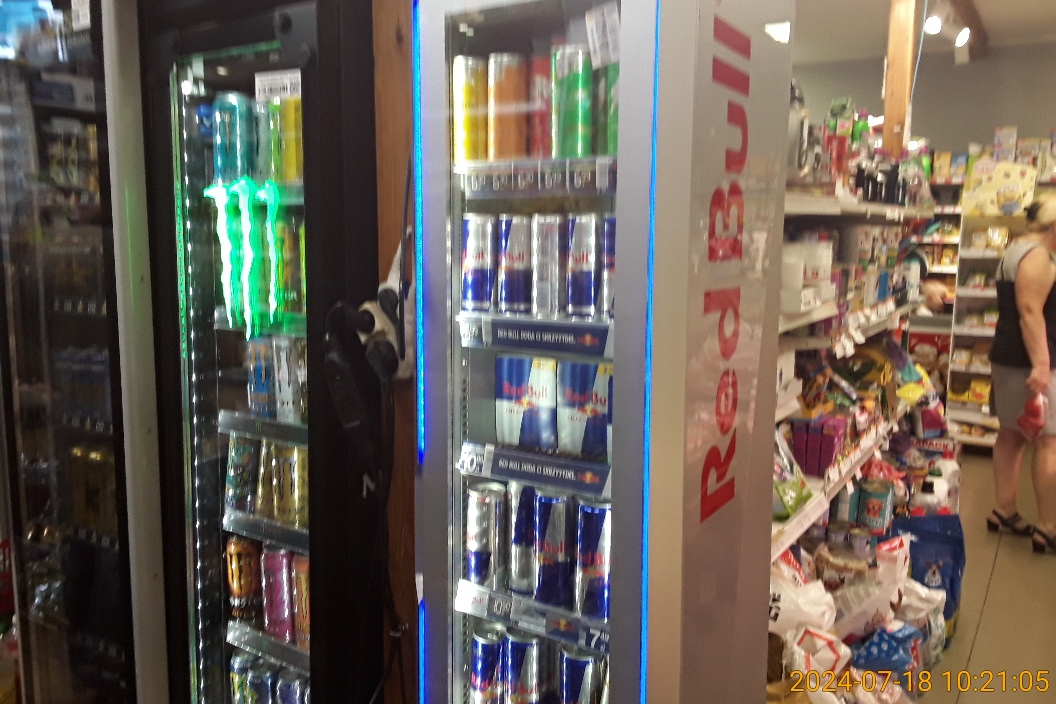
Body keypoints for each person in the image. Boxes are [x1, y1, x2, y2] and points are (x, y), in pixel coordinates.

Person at [989, 195, 1056, 554]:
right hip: (1032, 363)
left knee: (1010, 435)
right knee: (1049, 442)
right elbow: (1030, 311)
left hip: (1007, 356)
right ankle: (1048, 528)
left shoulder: (1015, 249)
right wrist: (1042, 365)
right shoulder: (1039, 256)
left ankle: (1004, 510)